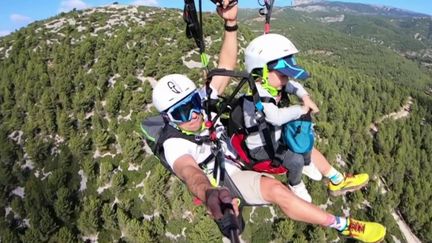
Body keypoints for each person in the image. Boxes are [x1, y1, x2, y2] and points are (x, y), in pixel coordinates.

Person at [151, 3, 386, 242]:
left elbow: (226, 66)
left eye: (193, 103)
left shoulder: (202, 102)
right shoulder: (175, 144)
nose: (193, 114)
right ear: (169, 118)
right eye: (182, 112)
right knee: (277, 191)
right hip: (224, 174)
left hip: (240, 149)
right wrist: (209, 193)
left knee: (295, 138)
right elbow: (190, 173)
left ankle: (336, 179)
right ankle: (343, 225)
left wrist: (230, 23)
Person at [242, 33, 369, 202]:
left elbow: (293, 86)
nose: (286, 79)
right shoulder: (257, 96)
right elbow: (276, 118)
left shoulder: (270, 84)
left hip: (273, 135)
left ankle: (325, 173)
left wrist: (305, 96)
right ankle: (295, 184)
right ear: (262, 71)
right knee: (295, 161)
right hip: (261, 146)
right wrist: (301, 109)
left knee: (304, 138)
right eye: (283, 75)